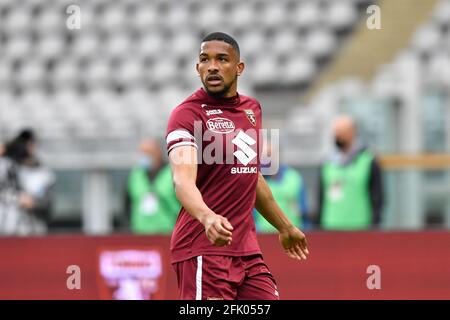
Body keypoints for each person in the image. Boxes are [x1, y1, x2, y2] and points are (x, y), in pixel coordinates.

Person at [165, 32, 309, 300]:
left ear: (239, 67)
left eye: (222, 59)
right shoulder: (187, 114)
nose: (212, 67)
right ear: (197, 68)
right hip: (203, 249)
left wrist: (285, 227)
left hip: (247, 253)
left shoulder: (251, 110)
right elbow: (182, 181)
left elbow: (250, 176)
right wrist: (208, 217)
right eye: (205, 60)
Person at [317, 115, 384, 230]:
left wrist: (375, 223)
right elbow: (321, 196)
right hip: (330, 226)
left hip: (360, 226)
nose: (338, 136)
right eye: (336, 132)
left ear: (353, 132)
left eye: (342, 132)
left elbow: (377, 196)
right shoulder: (327, 162)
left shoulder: (368, 160)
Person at [0, 129, 54, 235]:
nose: (30, 147)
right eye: (27, 144)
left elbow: (47, 203)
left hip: (32, 229)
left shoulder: (43, 172)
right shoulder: (6, 165)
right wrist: (17, 198)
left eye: (32, 144)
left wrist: (35, 203)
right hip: (7, 227)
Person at [125, 138, 180, 234]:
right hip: (140, 232)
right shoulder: (135, 175)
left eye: (148, 153)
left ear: (158, 152)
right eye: (142, 153)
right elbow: (127, 204)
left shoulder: (173, 172)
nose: (144, 157)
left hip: (168, 231)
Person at [254, 141, 310, 233]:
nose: (266, 159)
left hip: (290, 235)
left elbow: (303, 210)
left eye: (269, 155)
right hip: (263, 234)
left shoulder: (294, 177)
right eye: (263, 156)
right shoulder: (256, 180)